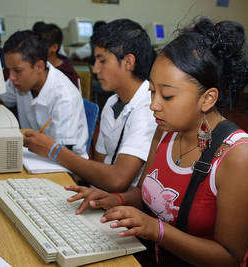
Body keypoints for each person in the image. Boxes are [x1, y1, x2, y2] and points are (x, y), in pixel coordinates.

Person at [65, 18, 248, 266]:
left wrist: (157, 230)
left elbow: (229, 257)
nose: (154, 105)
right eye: (152, 92)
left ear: (208, 98)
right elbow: (147, 194)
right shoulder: (165, 131)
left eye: (167, 96)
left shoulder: (238, 156)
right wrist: (118, 199)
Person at [23, 19, 157, 192]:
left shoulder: (148, 108)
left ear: (128, 62)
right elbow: (99, 165)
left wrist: (54, 151)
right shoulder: (111, 102)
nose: (95, 69)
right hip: (101, 192)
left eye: (102, 61)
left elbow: (118, 180)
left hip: (125, 205)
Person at [0, 30, 89, 157]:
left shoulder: (64, 97)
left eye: (17, 71)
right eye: (9, 70)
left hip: (63, 165)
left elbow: (64, 154)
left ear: (39, 66)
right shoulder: (20, 82)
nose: (11, 77)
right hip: (32, 156)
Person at [35, 23, 80, 88]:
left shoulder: (66, 73)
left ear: (54, 47)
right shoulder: (39, 64)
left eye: (42, 44)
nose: (37, 47)